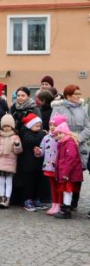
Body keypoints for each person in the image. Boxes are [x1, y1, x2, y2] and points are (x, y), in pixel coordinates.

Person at [50, 84, 90, 214]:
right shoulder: (58, 108)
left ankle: (74, 202)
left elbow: (87, 127)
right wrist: (67, 137)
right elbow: (53, 125)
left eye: (79, 94)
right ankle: (62, 201)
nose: (79, 96)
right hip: (63, 145)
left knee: (77, 174)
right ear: (68, 95)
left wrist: (78, 137)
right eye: (76, 94)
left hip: (80, 145)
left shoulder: (83, 109)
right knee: (64, 173)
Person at [52, 122, 84, 219]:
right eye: (57, 134)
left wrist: (65, 173)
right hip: (66, 173)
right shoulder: (63, 144)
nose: (58, 135)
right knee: (66, 191)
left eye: (60, 133)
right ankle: (65, 207)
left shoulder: (69, 144)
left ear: (66, 133)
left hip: (69, 174)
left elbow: (70, 160)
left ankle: (66, 209)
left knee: (67, 191)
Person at [0, 114, 23, 209]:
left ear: (12, 126)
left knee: (8, 181)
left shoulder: (15, 137)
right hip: (0, 160)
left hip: (10, 161)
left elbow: (18, 151)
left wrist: (17, 145)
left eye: (8, 126)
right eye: (4, 126)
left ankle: (7, 199)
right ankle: (2, 198)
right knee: (1, 180)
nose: (6, 128)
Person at [18, 113, 46, 211]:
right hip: (28, 164)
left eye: (40, 126)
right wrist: (42, 134)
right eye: (36, 126)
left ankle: (36, 199)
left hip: (37, 164)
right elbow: (31, 141)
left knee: (38, 183)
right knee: (29, 184)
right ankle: (27, 200)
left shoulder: (37, 133)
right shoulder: (26, 133)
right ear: (30, 125)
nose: (39, 128)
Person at [38, 114, 64, 216]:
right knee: (53, 186)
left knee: (59, 187)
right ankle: (54, 204)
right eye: (51, 125)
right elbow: (42, 151)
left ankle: (59, 204)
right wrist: (38, 151)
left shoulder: (62, 138)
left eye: (55, 125)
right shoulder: (46, 138)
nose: (52, 127)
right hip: (49, 167)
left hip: (59, 168)